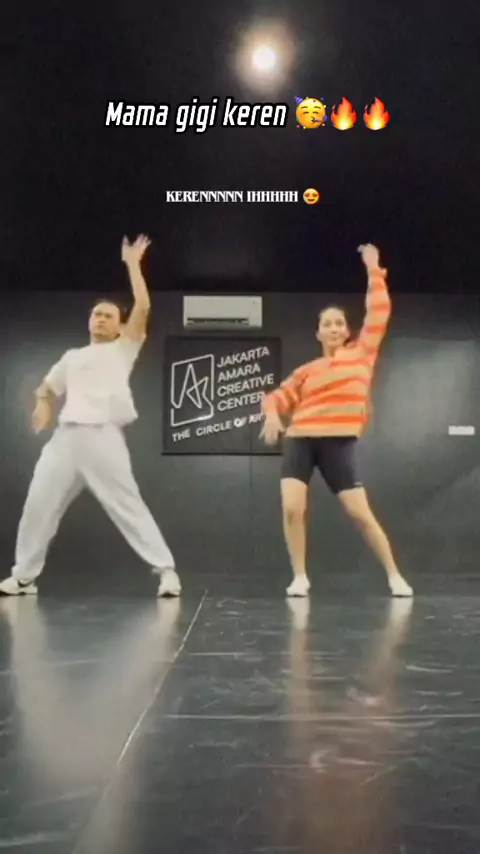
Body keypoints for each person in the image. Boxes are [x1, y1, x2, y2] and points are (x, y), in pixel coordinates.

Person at [0, 235, 181, 598]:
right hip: (64, 441)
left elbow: (143, 305)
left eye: (108, 316)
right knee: (38, 504)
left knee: (126, 505)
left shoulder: (124, 348)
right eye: (96, 314)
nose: (100, 319)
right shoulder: (72, 357)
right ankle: (24, 577)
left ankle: (167, 572)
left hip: (103, 439)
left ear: (120, 327)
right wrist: (43, 403)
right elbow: (46, 388)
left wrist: (133, 264)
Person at [260, 243, 413, 598]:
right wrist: (271, 413)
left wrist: (373, 269)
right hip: (300, 439)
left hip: (338, 441)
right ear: (318, 333)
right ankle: (299, 576)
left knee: (360, 514)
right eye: (327, 324)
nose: (333, 328)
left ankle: (394, 575)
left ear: (346, 331)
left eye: (339, 323)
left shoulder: (361, 354)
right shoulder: (307, 370)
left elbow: (379, 311)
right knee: (292, 508)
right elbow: (276, 396)